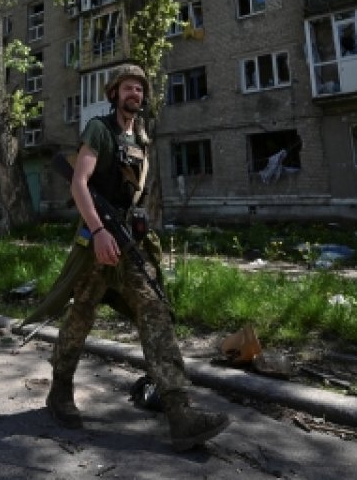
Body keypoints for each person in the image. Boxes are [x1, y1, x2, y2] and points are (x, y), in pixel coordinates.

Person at [42, 63, 230, 451]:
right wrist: (97, 231)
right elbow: (79, 183)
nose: (135, 95)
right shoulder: (100, 129)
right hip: (97, 239)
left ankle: (180, 413)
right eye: (128, 88)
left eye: (140, 90)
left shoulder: (141, 138)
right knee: (81, 314)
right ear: (114, 94)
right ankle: (60, 390)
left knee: (155, 312)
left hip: (130, 242)